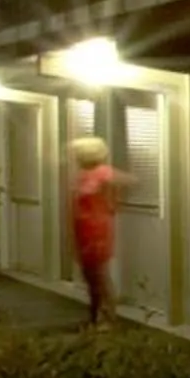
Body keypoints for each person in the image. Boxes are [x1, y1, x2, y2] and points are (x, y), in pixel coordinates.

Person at [70, 134, 121, 329]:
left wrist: (111, 205)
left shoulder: (102, 173)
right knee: (89, 276)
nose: (76, 158)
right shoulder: (82, 175)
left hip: (97, 229)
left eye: (78, 153)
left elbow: (120, 186)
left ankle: (109, 318)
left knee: (99, 275)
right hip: (83, 229)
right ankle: (94, 316)